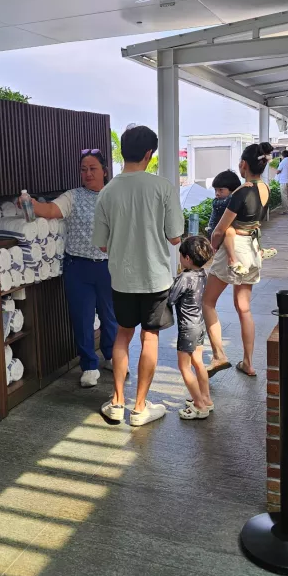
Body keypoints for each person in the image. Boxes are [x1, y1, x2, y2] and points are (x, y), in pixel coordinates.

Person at [93, 125, 184, 426]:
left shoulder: (107, 192)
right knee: (150, 337)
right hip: (156, 278)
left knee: (123, 334)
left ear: (123, 151)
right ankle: (140, 408)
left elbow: (102, 243)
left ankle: (117, 402)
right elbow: (175, 237)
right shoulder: (163, 187)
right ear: (149, 154)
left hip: (122, 278)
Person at [29, 149, 118, 388]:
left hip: (109, 267)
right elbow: (49, 211)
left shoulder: (115, 195)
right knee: (83, 318)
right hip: (77, 267)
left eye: (93, 169)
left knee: (111, 316)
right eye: (83, 170)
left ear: (104, 171)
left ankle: (111, 355)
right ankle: (89, 365)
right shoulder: (73, 196)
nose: (88, 174)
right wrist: (30, 204)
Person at [203, 144, 270, 378]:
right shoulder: (265, 188)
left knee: (208, 302)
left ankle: (219, 355)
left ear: (244, 164)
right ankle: (248, 363)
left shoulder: (242, 191)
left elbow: (221, 229)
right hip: (252, 249)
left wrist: (212, 246)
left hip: (234, 248)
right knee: (244, 308)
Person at [168, 236, 214, 420]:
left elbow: (171, 298)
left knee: (184, 367)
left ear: (187, 258)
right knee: (198, 362)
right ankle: (206, 399)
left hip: (187, 328)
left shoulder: (185, 278)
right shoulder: (203, 274)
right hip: (199, 324)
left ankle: (199, 405)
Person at [207, 170, 241, 237]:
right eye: (215, 190)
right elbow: (229, 201)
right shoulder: (218, 202)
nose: (217, 193)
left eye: (221, 190)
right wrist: (240, 189)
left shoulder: (230, 200)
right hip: (214, 234)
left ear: (232, 189)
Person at [276, 149, 288, 214]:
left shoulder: (283, 162)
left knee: (284, 195)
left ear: (282, 155)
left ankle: (285, 210)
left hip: (284, 181)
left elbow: (278, 171)